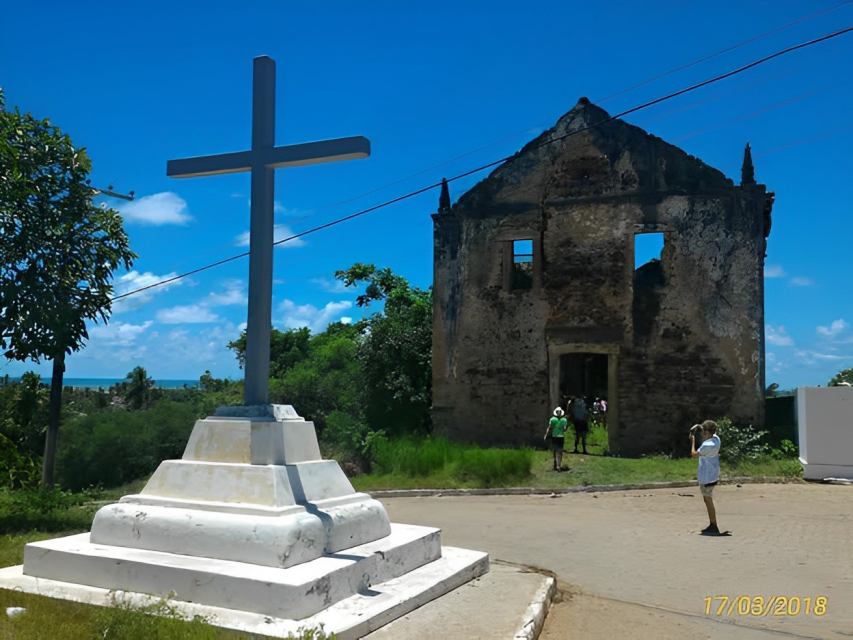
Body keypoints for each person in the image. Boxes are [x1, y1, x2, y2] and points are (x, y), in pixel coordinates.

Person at [691, 420, 722, 535]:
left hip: (707, 476)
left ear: (708, 433)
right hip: (712, 474)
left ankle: (713, 524)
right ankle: (712, 523)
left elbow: (694, 454)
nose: (702, 435)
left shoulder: (706, 446)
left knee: (708, 499)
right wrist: (699, 427)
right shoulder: (716, 440)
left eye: (704, 432)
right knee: (707, 498)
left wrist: (693, 439)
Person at [544, 407, 568, 471]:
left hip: (554, 436)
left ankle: (555, 464)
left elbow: (550, 428)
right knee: (560, 451)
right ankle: (559, 465)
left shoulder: (553, 420)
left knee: (555, 450)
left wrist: (546, 435)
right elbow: (565, 429)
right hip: (561, 437)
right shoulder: (564, 420)